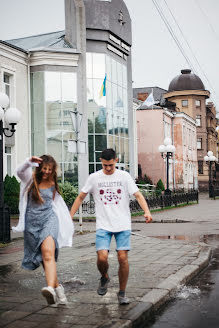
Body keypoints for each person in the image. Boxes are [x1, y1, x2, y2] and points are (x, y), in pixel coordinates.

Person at [70, 148, 152, 305]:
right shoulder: (94, 178)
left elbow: (138, 195)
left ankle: (122, 293)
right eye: (105, 165)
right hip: (103, 224)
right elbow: (80, 197)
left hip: (122, 224)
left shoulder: (124, 176)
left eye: (111, 165)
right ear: (101, 160)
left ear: (116, 160)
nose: (108, 168)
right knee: (102, 257)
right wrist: (70, 216)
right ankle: (105, 277)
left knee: (122, 257)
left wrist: (147, 211)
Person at [13, 155, 74, 305]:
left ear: (53, 170)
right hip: (32, 224)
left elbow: (58, 205)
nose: (46, 172)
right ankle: (58, 290)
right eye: (44, 169)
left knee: (48, 253)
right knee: (45, 260)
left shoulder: (53, 183)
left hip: (49, 220)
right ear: (40, 168)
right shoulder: (30, 179)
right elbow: (19, 171)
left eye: (49, 169)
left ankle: (50, 289)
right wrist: (29, 161)